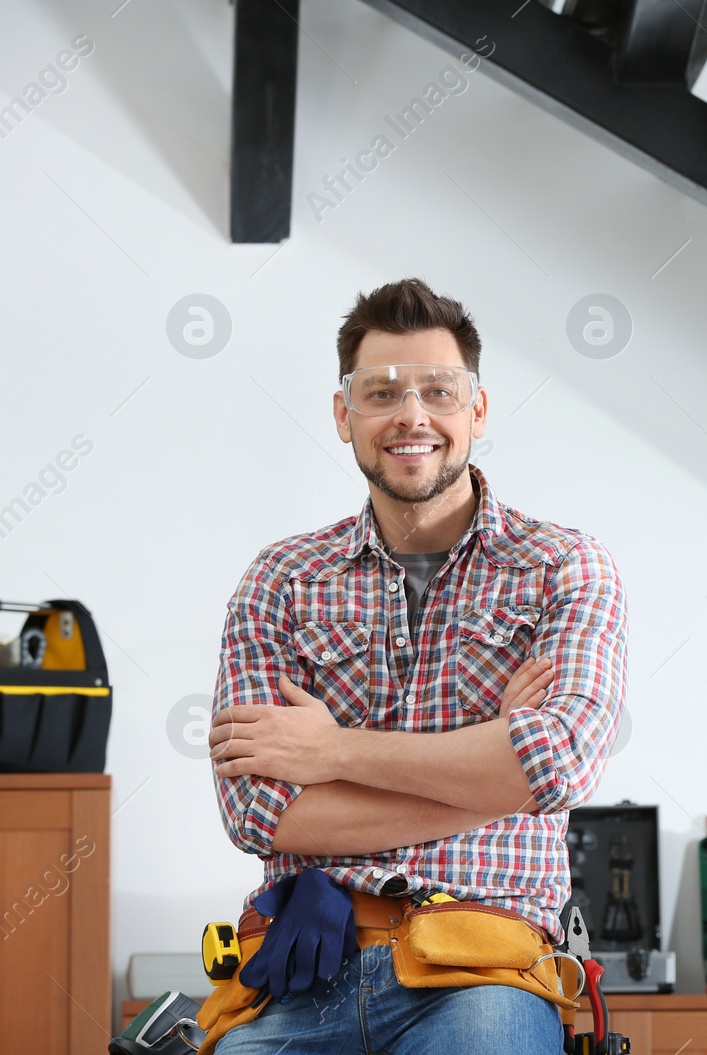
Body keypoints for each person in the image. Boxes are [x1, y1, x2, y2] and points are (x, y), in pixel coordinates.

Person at [201, 277, 627, 1054]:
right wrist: (491, 766)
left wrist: (333, 752)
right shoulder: (281, 579)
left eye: (439, 389)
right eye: (382, 391)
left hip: (484, 972)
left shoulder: (563, 566)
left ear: (478, 410)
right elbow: (258, 813)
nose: (412, 415)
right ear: (344, 414)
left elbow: (557, 764)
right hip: (302, 969)